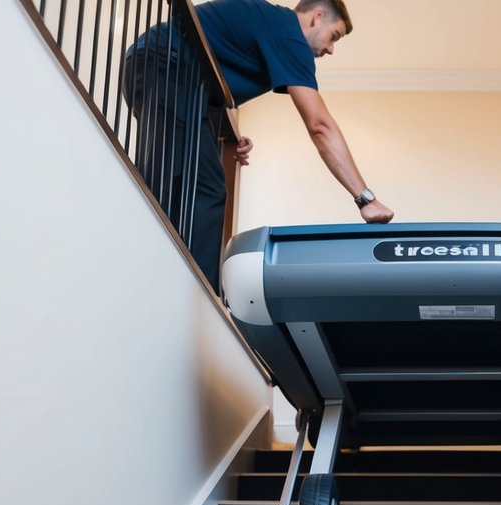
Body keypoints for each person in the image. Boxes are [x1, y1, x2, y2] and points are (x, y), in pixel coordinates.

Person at [124, 0, 394, 292]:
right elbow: (320, 126)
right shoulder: (289, 34)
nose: (331, 49)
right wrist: (365, 199)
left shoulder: (275, 29)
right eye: (334, 36)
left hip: (173, 77)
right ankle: (198, 293)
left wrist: (219, 132)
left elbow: (215, 66)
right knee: (204, 189)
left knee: (186, 181)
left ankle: (171, 278)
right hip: (165, 65)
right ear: (317, 17)